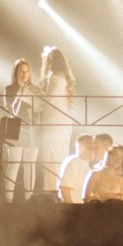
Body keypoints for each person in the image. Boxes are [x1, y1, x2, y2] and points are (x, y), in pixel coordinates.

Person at [1, 56, 42, 201]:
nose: (24, 74)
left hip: (31, 129)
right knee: (14, 164)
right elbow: (12, 110)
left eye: (27, 71)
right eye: (21, 72)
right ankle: (8, 200)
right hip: (15, 128)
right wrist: (21, 93)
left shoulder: (35, 89)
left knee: (30, 166)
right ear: (16, 73)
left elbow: (38, 109)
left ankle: (28, 199)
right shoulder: (10, 89)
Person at [38, 44, 76, 193]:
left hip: (54, 124)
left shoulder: (55, 78)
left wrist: (36, 95)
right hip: (63, 124)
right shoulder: (64, 77)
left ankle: (51, 192)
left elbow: (49, 100)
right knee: (60, 158)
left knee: (50, 159)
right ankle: (60, 191)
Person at [57, 132, 97, 203]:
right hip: (74, 208)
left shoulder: (87, 167)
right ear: (79, 147)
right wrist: (72, 208)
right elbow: (64, 188)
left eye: (93, 147)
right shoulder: (73, 162)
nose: (92, 150)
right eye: (89, 147)